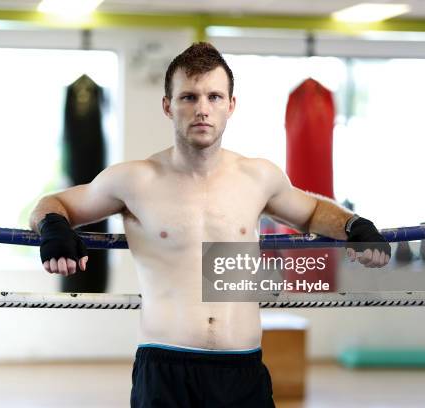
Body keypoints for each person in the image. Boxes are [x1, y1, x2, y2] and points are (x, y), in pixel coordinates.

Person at [29, 42, 390, 407]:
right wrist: (54, 226)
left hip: (242, 369)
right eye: (189, 96)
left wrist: (354, 224)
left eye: (214, 96)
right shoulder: (135, 180)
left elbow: (312, 211)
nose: (202, 109)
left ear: (231, 105)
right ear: (168, 106)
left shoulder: (258, 176)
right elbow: (52, 204)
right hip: (165, 367)